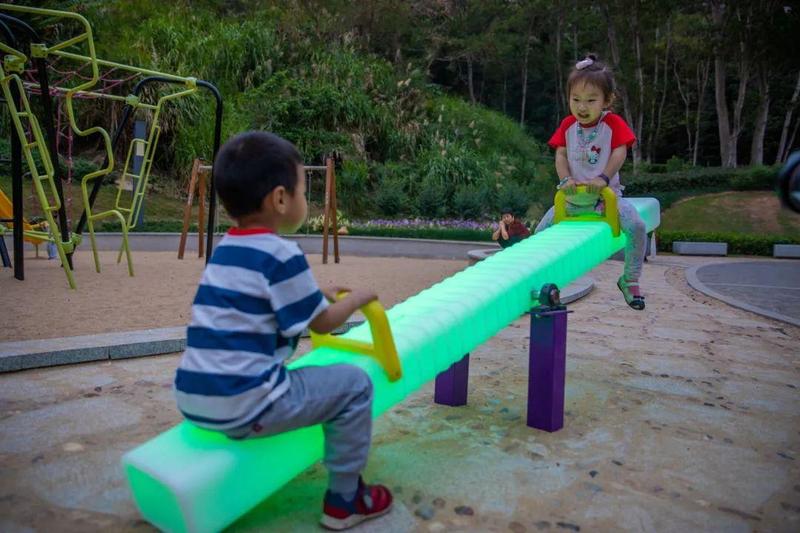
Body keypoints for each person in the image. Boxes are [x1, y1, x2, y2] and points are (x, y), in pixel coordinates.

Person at [174, 131, 393, 530]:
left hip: (192, 398)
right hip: (247, 404)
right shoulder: (283, 252)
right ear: (279, 199)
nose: (305, 200)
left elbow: (261, 301)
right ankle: (345, 499)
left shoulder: (225, 250)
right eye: (303, 192)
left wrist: (316, 293)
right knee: (356, 385)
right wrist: (358, 298)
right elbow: (324, 322)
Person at [535, 54, 647, 310]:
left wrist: (603, 178)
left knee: (637, 226)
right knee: (540, 234)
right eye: (576, 99)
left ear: (607, 100)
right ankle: (537, 279)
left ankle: (630, 279)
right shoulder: (567, 125)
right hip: (572, 200)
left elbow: (620, 152)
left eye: (590, 100)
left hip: (606, 199)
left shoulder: (612, 123)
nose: (582, 107)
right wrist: (565, 179)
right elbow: (560, 155)